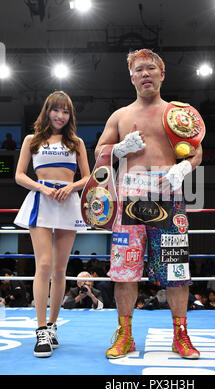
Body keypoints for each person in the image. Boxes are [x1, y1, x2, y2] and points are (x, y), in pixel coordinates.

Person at [94, 49, 203, 359]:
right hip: (129, 201)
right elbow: (99, 152)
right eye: (139, 69)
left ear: (161, 74)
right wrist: (118, 149)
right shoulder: (120, 115)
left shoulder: (177, 114)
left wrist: (184, 168)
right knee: (124, 272)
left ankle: (180, 335)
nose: (145, 73)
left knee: (176, 272)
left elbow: (196, 151)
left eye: (150, 68)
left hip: (168, 200)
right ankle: (125, 335)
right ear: (132, 78)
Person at [14, 91, 90, 358]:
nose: (60, 115)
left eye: (66, 111)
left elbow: (88, 177)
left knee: (60, 269)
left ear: (70, 115)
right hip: (41, 202)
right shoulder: (31, 140)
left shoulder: (77, 142)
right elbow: (19, 175)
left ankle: (54, 325)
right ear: (47, 111)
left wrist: (71, 188)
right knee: (43, 265)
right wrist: (42, 189)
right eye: (56, 110)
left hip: (68, 203)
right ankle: (41, 329)